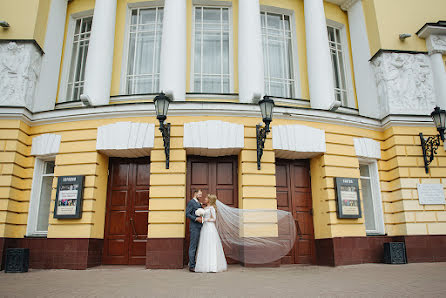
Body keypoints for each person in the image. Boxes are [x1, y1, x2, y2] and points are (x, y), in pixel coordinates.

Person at [194, 194, 227, 273]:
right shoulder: (205, 208)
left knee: (210, 245)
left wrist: (204, 220)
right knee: (204, 244)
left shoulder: (212, 208)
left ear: (209, 200)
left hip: (210, 228)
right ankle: (204, 265)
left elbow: (214, 219)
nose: (205, 199)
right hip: (205, 227)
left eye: (206, 198)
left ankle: (213, 266)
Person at [185, 189, 203, 272]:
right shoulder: (191, 202)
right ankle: (191, 266)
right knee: (193, 246)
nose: (201, 196)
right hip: (194, 227)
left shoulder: (198, 202)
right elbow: (187, 214)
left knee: (197, 246)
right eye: (199, 194)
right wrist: (196, 219)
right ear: (195, 194)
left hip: (200, 227)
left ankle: (194, 263)